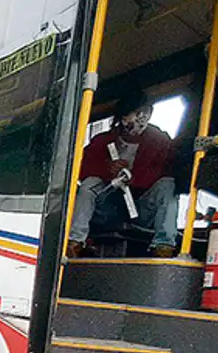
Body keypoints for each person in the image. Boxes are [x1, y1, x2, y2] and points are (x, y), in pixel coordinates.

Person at [68, 89, 179, 258]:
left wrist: (133, 178)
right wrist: (107, 170)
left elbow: (168, 171)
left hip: (141, 208)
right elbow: (81, 169)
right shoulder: (101, 141)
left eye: (146, 112)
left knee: (168, 185)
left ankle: (163, 246)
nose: (141, 118)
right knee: (89, 184)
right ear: (123, 116)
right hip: (108, 207)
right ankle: (74, 242)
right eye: (136, 112)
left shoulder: (160, 140)